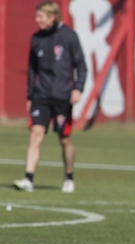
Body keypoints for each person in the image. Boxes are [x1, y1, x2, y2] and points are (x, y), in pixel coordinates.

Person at [14, 1, 87, 193]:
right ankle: (28, 178)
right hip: (41, 95)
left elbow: (81, 65)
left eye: (41, 17)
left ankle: (69, 176)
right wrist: (30, 95)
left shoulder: (69, 37)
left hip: (63, 97)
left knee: (64, 139)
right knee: (35, 135)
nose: (37, 20)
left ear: (52, 17)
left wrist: (78, 88)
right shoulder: (36, 38)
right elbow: (32, 69)